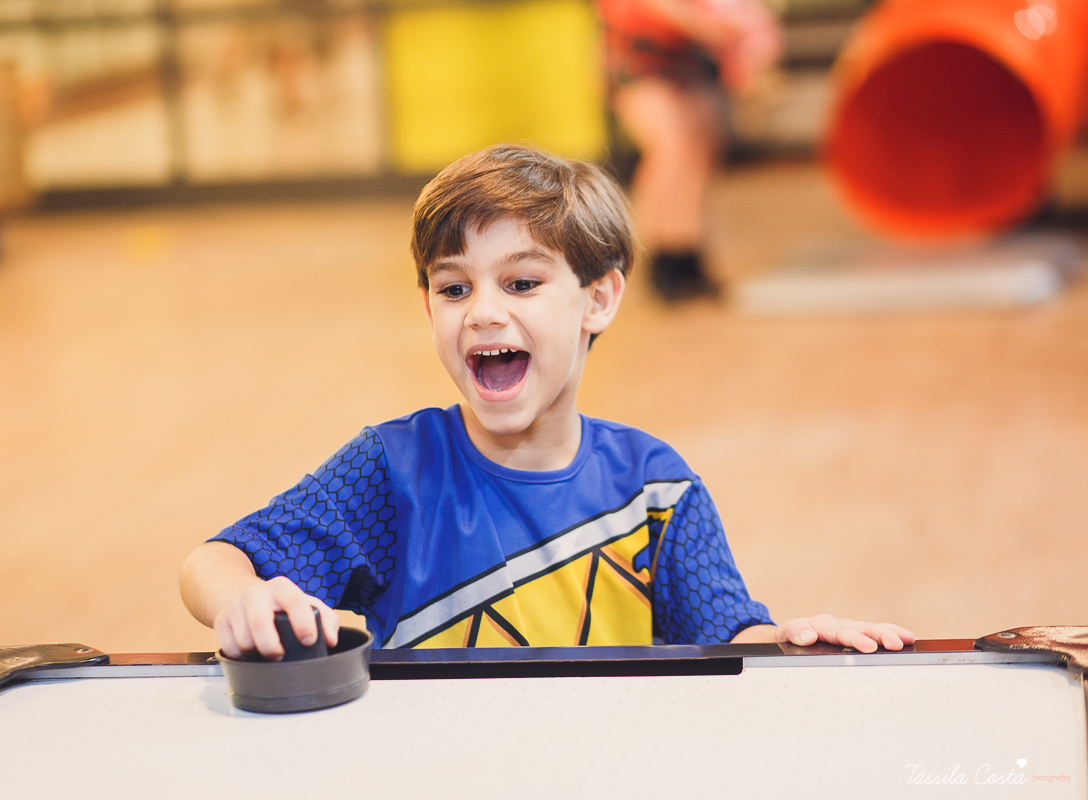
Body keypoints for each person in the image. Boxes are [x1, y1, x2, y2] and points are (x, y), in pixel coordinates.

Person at [180, 144, 914, 658]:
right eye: (453, 287)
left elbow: (727, 639)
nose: (483, 312)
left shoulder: (655, 487)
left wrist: (794, 641)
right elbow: (215, 563)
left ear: (599, 298)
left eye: (522, 283)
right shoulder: (394, 470)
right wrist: (241, 600)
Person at [598, 0, 782, 299]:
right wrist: (705, 26)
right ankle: (660, 255)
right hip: (643, 55)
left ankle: (687, 254)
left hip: (689, 55)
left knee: (699, 153)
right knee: (670, 149)